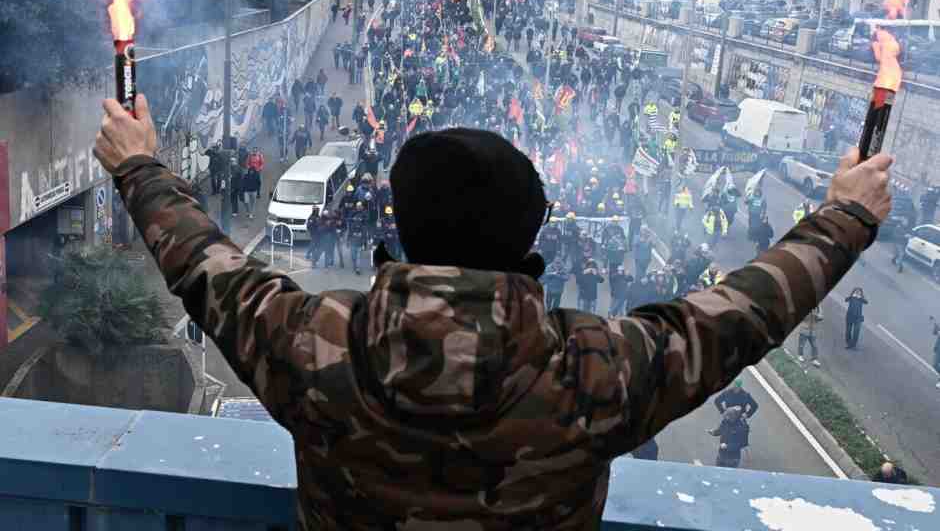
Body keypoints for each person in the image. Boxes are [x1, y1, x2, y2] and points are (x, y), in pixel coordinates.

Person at [96, 97, 892, 529]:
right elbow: (740, 314)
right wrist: (844, 216)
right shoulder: (597, 370)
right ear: (528, 244)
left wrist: (138, 166)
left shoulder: (313, 344)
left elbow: (205, 265)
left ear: (400, 229)